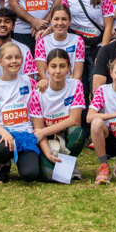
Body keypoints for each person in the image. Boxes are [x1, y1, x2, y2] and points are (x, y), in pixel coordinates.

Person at [0, 43, 43, 183]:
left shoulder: (30, 83)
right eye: (9, 58)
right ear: (0, 61)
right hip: (1, 135)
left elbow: (38, 108)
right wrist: (5, 133)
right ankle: (4, 164)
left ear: (22, 60)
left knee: (30, 174)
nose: (13, 61)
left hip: (25, 134)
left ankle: (25, 162)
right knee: (0, 150)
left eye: (17, 57)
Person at [61, 0, 114, 98]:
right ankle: (80, 120)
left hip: (97, 47)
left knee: (96, 89)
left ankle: (95, 119)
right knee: (77, 88)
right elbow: (62, 20)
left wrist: (103, 53)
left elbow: (108, 25)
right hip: (76, 48)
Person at [30, 48, 87, 181]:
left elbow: (74, 119)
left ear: (69, 68)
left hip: (66, 135)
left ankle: (69, 163)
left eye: (62, 66)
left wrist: (43, 131)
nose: (57, 71)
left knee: (77, 132)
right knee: (49, 177)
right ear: (47, 69)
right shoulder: (37, 93)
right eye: (53, 66)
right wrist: (48, 154)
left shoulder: (76, 85)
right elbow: (38, 130)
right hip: (47, 140)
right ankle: (53, 161)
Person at [0, 7, 37, 83]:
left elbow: (30, 82)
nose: (2, 24)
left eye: (7, 21)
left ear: (13, 26)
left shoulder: (24, 50)